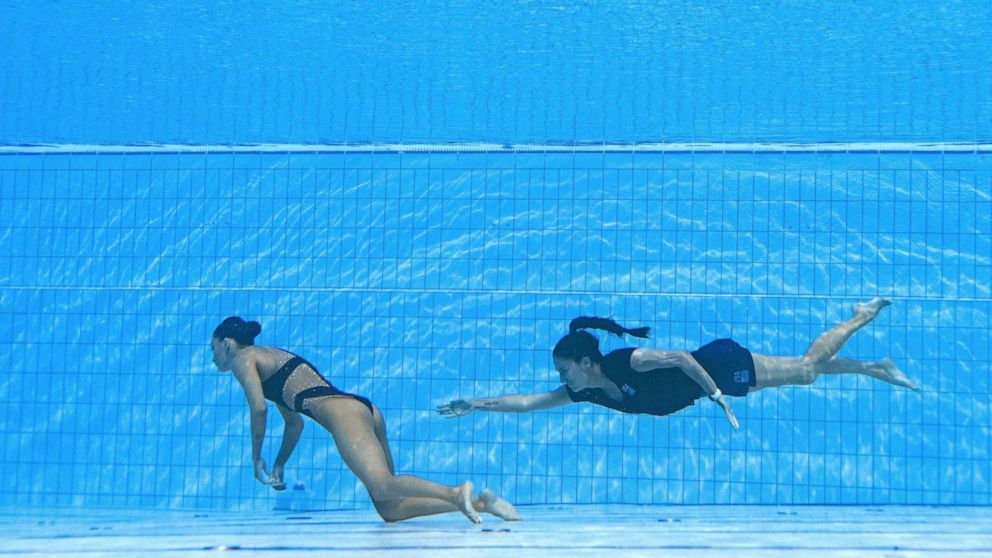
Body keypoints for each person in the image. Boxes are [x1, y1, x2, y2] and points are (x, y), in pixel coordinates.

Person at [211, 316, 518, 524]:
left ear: (227, 344)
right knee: (390, 507)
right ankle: (479, 503)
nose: (213, 359)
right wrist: (278, 464)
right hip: (362, 410)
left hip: (343, 413)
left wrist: (255, 458)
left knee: (383, 486)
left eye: (213, 349)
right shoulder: (269, 361)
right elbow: (294, 424)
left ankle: (455, 491)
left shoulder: (243, 358)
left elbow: (257, 409)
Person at [438, 298, 919, 428]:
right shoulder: (583, 390)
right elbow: (525, 403)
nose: (559, 379)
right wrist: (476, 404)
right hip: (716, 382)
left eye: (564, 369)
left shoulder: (631, 361)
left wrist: (715, 395)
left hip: (719, 365)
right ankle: (879, 367)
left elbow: (684, 359)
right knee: (804, 370)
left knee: (808, 369)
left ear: (586, 361)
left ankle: (860, 314)